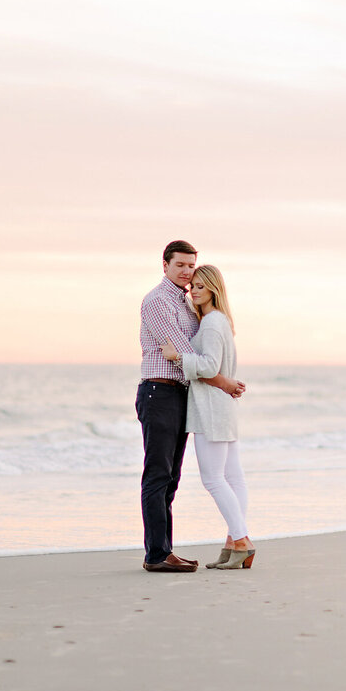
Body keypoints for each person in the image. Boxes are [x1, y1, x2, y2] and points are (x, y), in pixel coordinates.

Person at [136, 241, 244, 573]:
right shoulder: (157, 302)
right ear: (165, 265)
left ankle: (165, 549)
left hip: (181, 396)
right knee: (158, 475)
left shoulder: (185, 303)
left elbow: (199, 355)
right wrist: (224, 383)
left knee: (172, 478)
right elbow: (185, 353)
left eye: (190, 266)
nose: (186, 271)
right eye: (180, 265)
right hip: (159, 392)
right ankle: (156, 554)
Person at [161, 264, 254, 569]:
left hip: (212, 409)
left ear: (214, 288)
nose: (194, 290)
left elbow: (211, 366)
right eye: (193, 286)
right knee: (233, 477)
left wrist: (179, 357)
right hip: (223, 407)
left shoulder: (212, 324)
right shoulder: (221, 321)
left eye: (201, 286)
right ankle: (234, 543)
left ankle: (241, 541)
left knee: (213, 479)